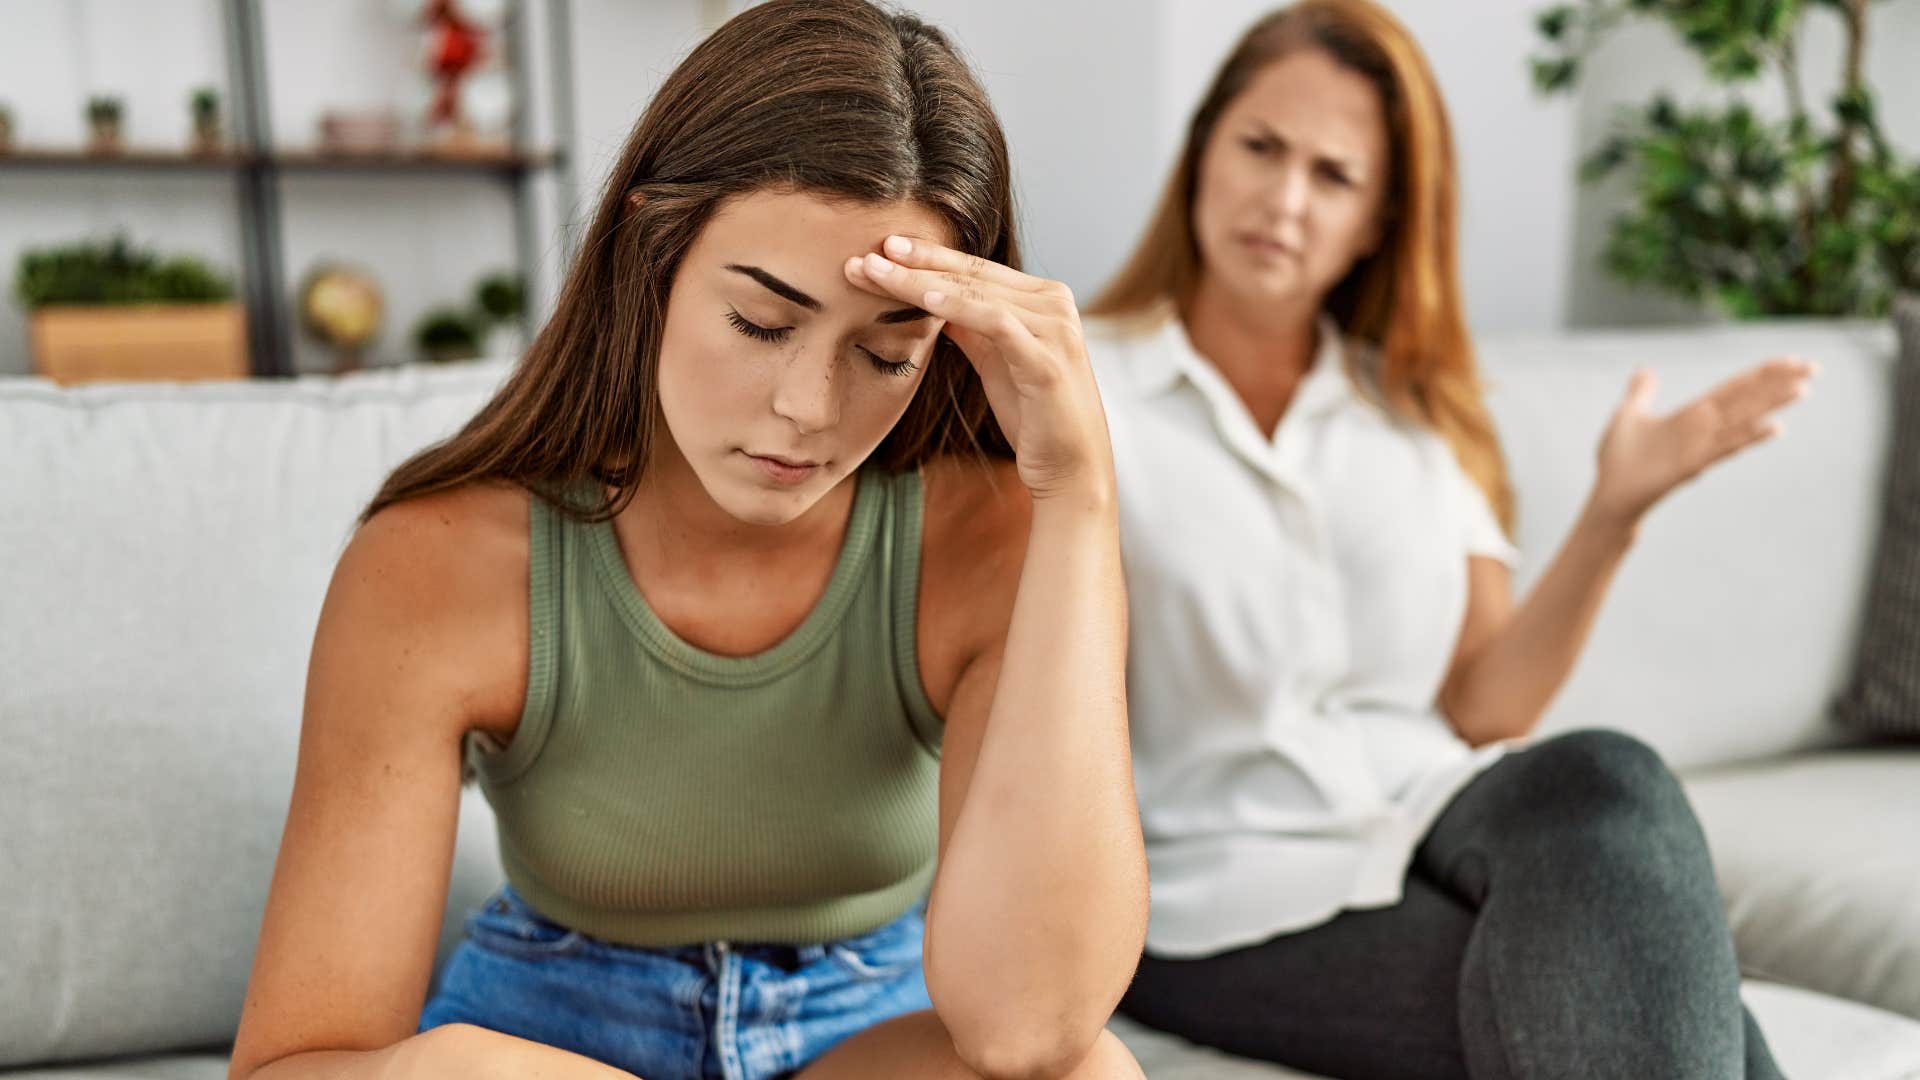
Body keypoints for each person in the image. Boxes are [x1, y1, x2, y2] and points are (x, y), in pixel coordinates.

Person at [226, 3, 1148, 1078]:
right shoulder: (439, 560)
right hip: (552, 1028)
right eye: (761, 323)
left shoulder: (986, 532)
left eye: (887, 353)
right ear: (648, 254)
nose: (808, 407)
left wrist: (1079, 496)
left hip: (866, 1029)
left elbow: (1028, 1032)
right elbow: (295, 1065)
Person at [1083, 2, 1813, 1076]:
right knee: (1690, 1016)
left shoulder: (1417, 413)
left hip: (1430, 813)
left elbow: (1484, 707)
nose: (1283, 200)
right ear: (1202, 151)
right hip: (1216, 892)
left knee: (1608, 777)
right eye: (1260, 148)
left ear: (1379, 219)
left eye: (1333, 177)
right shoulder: (1082, 388)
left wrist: (1613, 515)